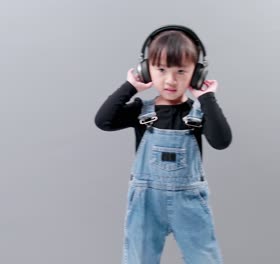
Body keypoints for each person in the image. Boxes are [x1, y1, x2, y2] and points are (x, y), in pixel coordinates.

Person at [95, 25, 232, 264]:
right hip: (146, 203)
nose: (171, 80)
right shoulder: (141, 111)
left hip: (188, 204)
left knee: (205, 259)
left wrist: (206, 97)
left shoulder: (197, 113)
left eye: (181, 71)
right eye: (160, 69)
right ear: (146, 70)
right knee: (139, 259)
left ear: (197, 74)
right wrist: (130, 86)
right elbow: (103, 121)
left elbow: (221, 141)